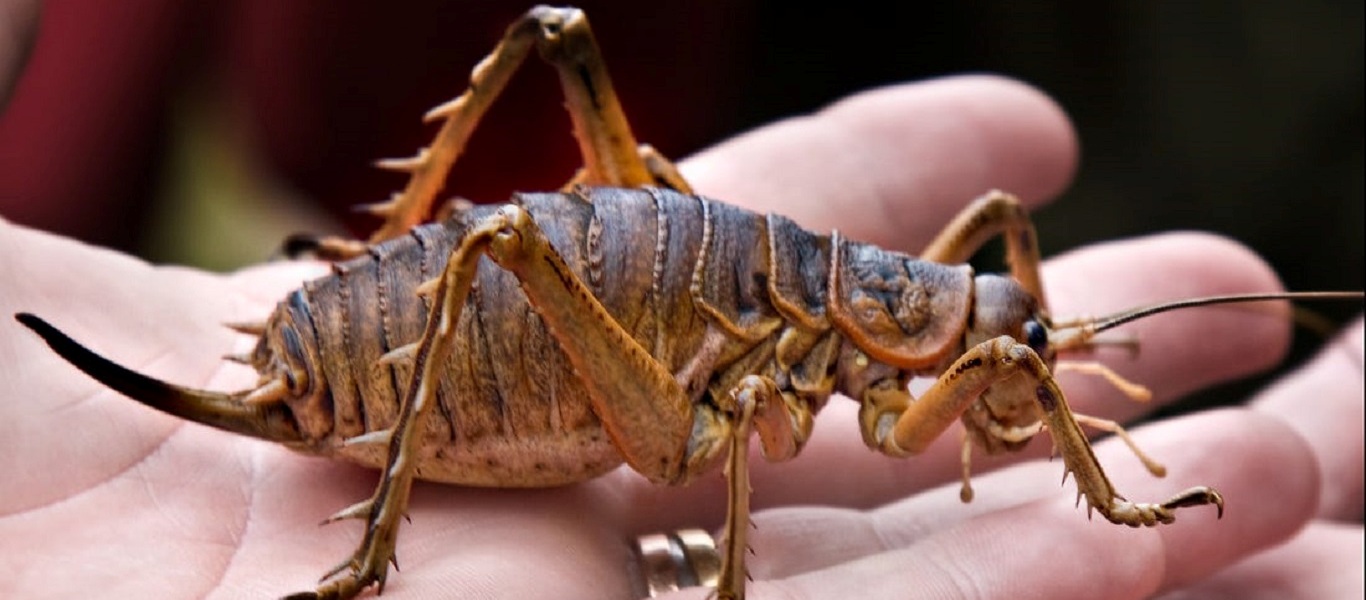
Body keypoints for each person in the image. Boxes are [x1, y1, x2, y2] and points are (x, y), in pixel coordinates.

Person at [1, 6, 1361, 600]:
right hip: (481, 332)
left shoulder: (902, 296)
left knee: (571, 124)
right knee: (545, 132)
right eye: (1019, 355)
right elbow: (742, 415)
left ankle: (396, 253)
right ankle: (367, 560)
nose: (1025, 376)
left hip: (633, 280)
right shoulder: (859, 353)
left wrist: (1030, 348)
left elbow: (1002, 242)